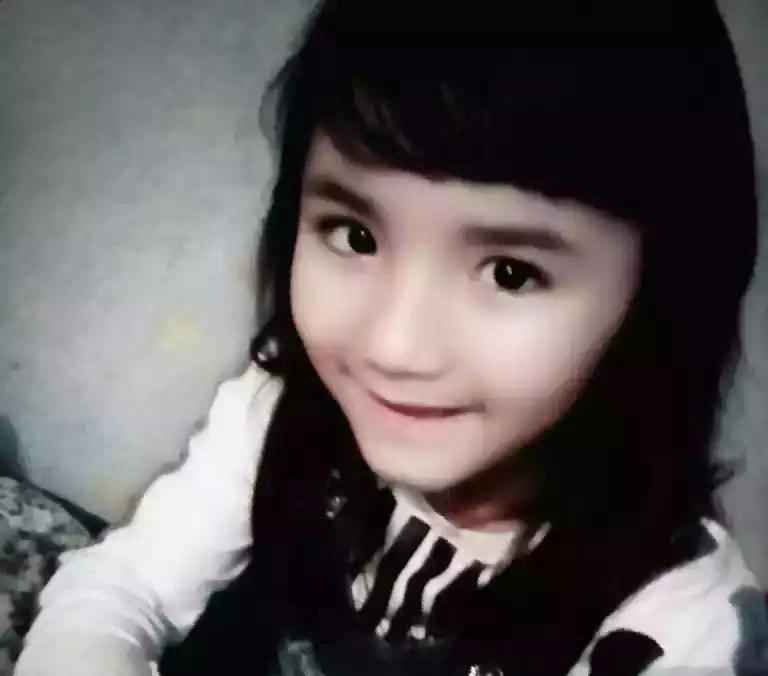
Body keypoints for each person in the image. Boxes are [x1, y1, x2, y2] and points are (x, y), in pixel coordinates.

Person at [14, 1, 768, 675]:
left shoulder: (680, 627)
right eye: (355, 234)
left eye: (510, 273)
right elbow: (124, 588)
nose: (394, 347)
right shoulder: (278, 413)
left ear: (660, 296)